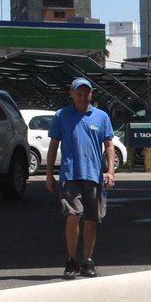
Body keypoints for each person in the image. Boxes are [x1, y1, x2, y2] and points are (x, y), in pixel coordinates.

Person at [45, 77, 116, 279]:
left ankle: (88, 261)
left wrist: (110, 171)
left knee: (92, 220)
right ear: (71, 94)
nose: (82, 97)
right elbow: (53, 146)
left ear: (91, 95)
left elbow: (109, 146)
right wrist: (49, 174)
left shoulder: (101, 117)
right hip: (70, 173)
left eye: (86, 94)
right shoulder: (61, 116)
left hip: (93, 175)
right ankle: (71, 261)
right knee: (73, 215)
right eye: (79, 93)